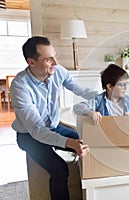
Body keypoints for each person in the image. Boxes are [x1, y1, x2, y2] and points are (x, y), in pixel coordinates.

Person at [10, 36, 96, 200]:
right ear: (31, 62)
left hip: (54, 126)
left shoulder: (58, 71)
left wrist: (105, 96)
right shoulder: (20, 86)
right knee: (59, 169)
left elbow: (80, 89)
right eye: (49, 59)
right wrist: (69, 143)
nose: (55, 63)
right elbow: (37, 130)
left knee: (87, 142)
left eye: (54, 56)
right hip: (29, 136)